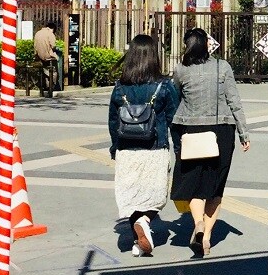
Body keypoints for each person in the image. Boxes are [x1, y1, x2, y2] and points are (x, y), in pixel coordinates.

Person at [171, 28, 251, 256]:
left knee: (195, 182)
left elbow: (175, 98)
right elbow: (234, 101)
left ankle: (198, 223)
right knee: (215, 188)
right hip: (221, 132)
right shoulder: (222, 67)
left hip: (192, 131)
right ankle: (206, 238)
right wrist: (243, 133)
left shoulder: (181, 69)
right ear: (207, 44)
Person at [107, 34, 181, 257]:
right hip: (155, 148)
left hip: (127, 148)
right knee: (154, 196)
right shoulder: (164, 86)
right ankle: (144, 221)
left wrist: (114, 147)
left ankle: (139, 236)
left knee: (129, 196)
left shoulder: (120, 88)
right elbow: (174, 120)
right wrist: (178, 148)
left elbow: (112, 121)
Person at [34, 23, 59, 94]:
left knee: (46, 70)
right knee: (54, 71)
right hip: (49, 56)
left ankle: (48, 86)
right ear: (53, 28)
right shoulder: (50, 34)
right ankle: (52, 87)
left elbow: (35, 46)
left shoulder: (37, 33)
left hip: (40, 56)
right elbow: (53, 45)